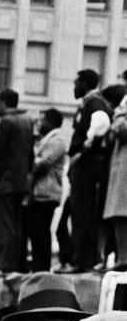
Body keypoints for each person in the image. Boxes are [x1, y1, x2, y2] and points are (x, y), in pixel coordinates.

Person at [0, 88, 35, 275]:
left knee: (3, 225)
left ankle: (3, 265)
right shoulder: (27, 121)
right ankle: (13, 263)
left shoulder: (6, 122)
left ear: (3, 102)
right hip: (20, 181)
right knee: (15, 225)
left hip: (4, 181)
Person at [69, 68, 112, 272]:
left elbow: (102, 123)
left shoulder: (93, 102)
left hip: (87, 166)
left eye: (77, 82)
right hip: (90, 163)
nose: (74, 86)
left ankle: (82, 260)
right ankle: (86, 258)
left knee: (81, 212)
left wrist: (84, 150)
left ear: (85, 83)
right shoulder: (92, 102)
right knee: (84, 212)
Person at [30, 110, 68, 272]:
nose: (39, 123)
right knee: (36, 232)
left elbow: (43, 163)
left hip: (48, 193)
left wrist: (29, 162)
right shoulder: (44, 140)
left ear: (51, 122)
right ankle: (38, 266)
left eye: (42, 120)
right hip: (38, 193)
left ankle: (42, 268)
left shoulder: (57, 140)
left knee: (41, 232)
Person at [103, 89, 127, 266]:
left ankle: (123, 259)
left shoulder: (121, 114)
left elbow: (122, 131)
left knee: (121, 212)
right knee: (118, 215)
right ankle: (121, 257)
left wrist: (119, 115)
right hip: (120, 167)